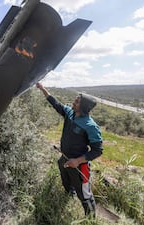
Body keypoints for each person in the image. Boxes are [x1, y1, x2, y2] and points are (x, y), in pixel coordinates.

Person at [36, 82, 103, 217]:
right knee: (66, 183)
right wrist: (43, 89)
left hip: (79, 167)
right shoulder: (70, 114)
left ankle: (91, 218)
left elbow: (97, 150)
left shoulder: (90, 126)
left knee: (85, 194)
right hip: (64, 159)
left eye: (77, 101)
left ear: (83, 107)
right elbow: (56, 104)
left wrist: (78, 161)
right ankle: (69, 198)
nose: (74, 102)